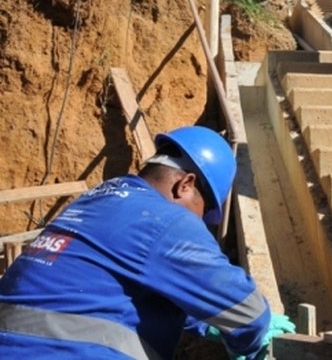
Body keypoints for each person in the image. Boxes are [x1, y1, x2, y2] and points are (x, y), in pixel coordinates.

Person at [0, 125, 295, 359]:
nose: (199, 223)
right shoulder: (166, 220)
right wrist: (247, 341)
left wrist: (207, 323)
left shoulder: (95, 201)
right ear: (185, 185)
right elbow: (248, 313)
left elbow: (104, 292)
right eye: (202, 212)